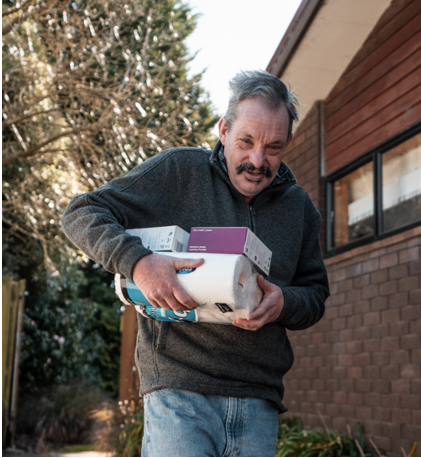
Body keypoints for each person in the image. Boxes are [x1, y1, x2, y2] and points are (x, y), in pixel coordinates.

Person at [62, 70, 328, 457]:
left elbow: (316, 294)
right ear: (223, 131)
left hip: (259, 403)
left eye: (273, 147)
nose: (258, 160)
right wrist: (138, 263)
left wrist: (285, 302)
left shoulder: (300, 209)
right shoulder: (179, 172)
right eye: (246, 141)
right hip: (179, 394)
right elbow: (81, 212)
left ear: (288, 142)